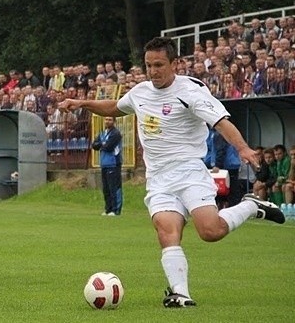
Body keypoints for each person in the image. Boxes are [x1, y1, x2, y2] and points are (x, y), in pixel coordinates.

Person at [59, 36, 285, 308]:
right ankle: (180, 293)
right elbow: (116, 108)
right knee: (167, 231)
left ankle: (250, 206)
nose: (153, 71)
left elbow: (221, 122)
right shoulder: (141, 91)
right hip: (159, 179)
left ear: (174, 64)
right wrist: (82, 103)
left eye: (159, 65)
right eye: (148, 65)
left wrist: (244, 149)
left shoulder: (191, 92)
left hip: (189, 172)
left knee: (210, 232)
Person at [92, 116, 123, 216]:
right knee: (106, 188)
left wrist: (101, 144)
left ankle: (115, 209)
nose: (107, 121)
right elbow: (94, 145)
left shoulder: (116, 134)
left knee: (114, 187)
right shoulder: (103, 133)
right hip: (104, 164)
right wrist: (102, 144)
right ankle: (108, 209)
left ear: (114, 121)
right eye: (106, 119)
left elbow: (109, 147)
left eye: (110, 119)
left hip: (113, 163)